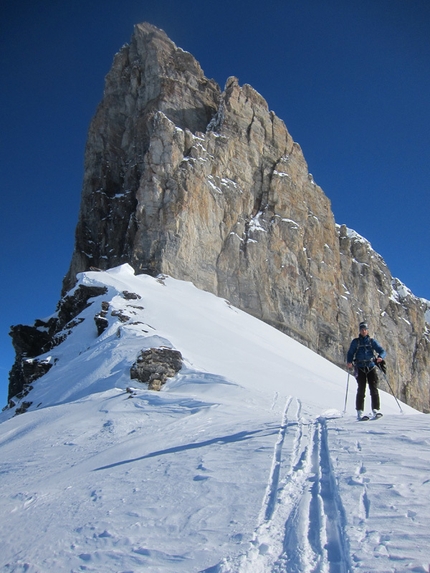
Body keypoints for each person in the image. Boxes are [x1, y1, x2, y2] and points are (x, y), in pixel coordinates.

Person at [347, 321, 386, 420]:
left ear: (367, 331)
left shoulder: (372, 341)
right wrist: (349, 361)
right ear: (360, 331)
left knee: (374, 389)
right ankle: (360, 411)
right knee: (361, 389)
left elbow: (382, 351)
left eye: (365, 329)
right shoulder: (356, 342)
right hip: (360, 367)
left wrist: (380, 357)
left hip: (371, 366)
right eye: (362, 329)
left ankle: (375, 410)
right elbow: (350, 353)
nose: (364, 331)